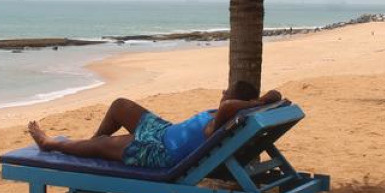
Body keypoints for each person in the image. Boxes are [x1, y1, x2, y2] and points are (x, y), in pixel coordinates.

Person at [27, 83, 283, 167]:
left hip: (160, 151)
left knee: (104, 143)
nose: (223, 92)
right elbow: (274, 94)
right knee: (119, 105)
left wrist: (257, 101)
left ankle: (50, 144)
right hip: (163, 131)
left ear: (235, 99)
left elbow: (227, 106)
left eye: (227, 91)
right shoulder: (224, 116)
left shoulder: (221, 121)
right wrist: (259, 101)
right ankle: (90, 151)